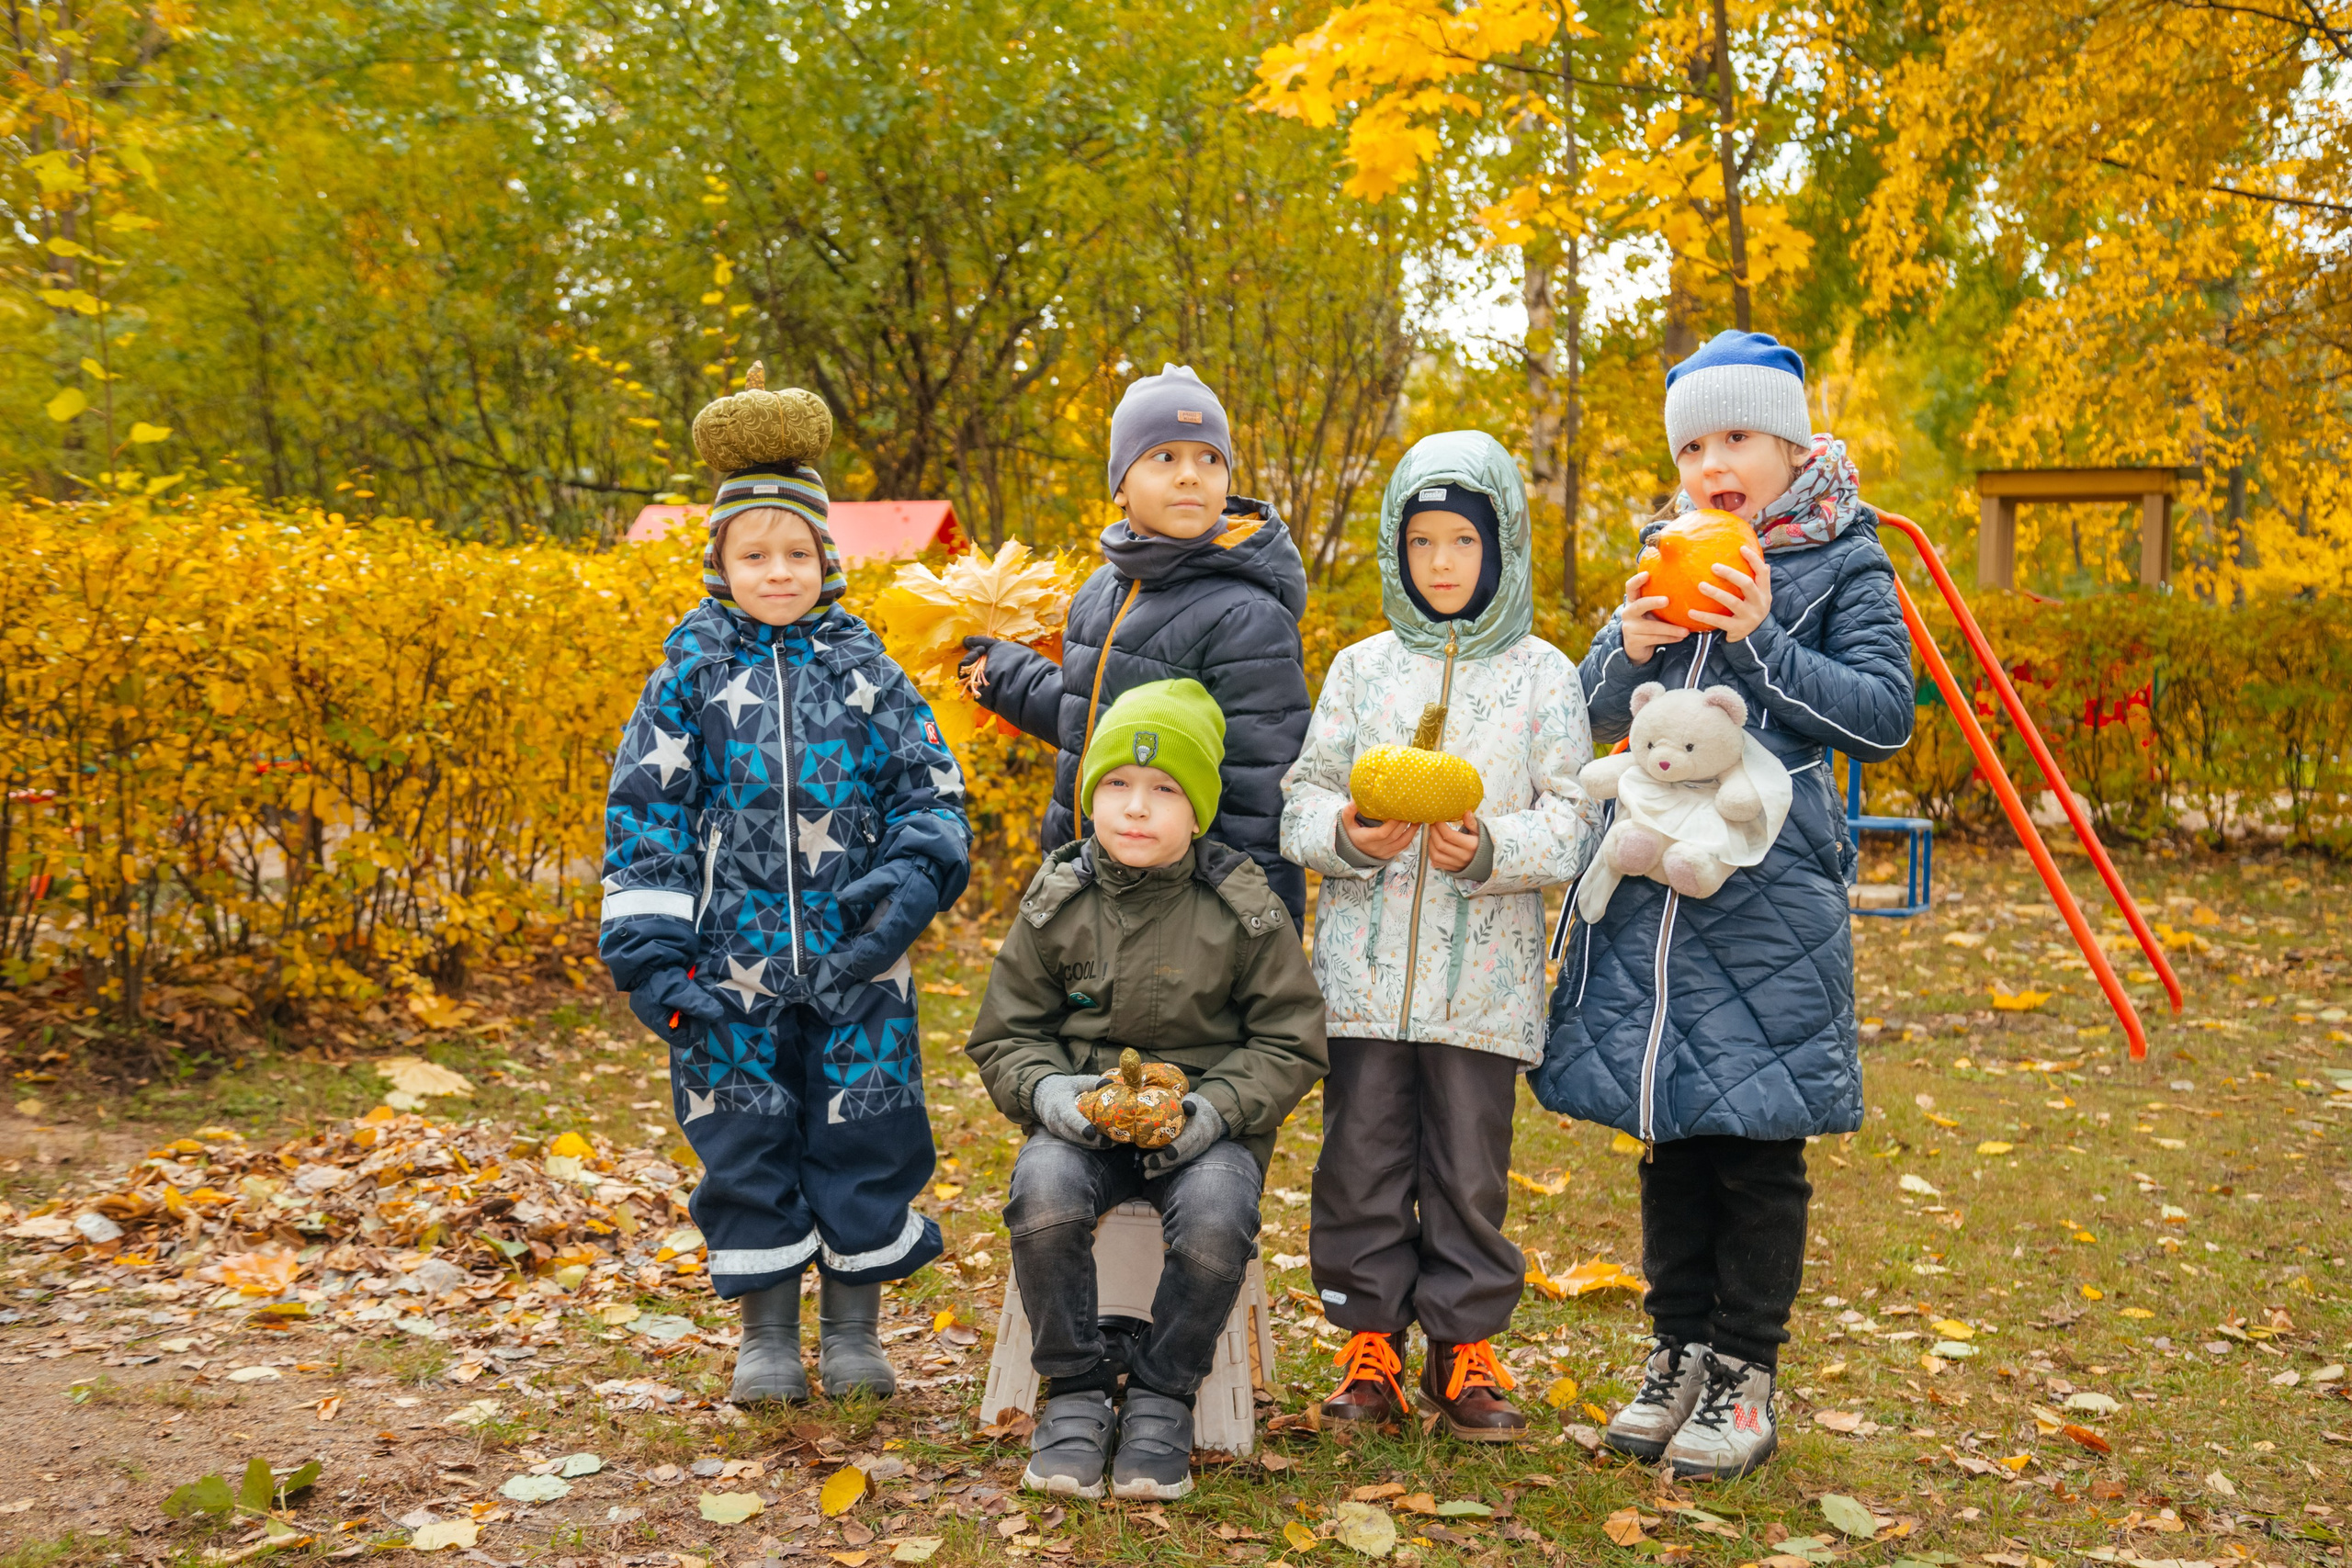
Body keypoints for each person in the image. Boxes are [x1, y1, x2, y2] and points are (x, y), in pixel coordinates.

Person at [1532, 329, 1915, 1480]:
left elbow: (1885, 716)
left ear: (1792, 447)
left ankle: (1745, 1374)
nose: (1713, 462)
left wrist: (1760, 642)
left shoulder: (1845, 559)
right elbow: (1596, 720)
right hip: (1655, 903)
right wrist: (1621, 645)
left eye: (1737, 436)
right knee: (1672, 1138)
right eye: (1694, 443)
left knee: (1754, 1146)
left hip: (1765, 898)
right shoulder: (1666, 558)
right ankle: (1675, 1354)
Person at [598, 372, 971, 1406]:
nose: (776, 572)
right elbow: (646, 817)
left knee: (864, 1128)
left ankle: (853, 1328)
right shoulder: (685, 679)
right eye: (753, 555)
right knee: (745, 1132)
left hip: (860, 961)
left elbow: (930, 792)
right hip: (732, 960)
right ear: (719, 563)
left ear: (826, 561)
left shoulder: (869, 673)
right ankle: (766, 1335)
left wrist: (906, 885)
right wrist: (652, 955)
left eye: (795, 554)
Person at [1278, 431, 1598, 1443]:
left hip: (1483, 984)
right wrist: (1346, 838)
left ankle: (1462, 1345)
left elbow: (1574, 817)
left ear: (1499, 548)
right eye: (1423, 542)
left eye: (1463, 539)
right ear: (1396, 551)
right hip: (1363, 981)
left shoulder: (1544, 675)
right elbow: (1301, 798)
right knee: (1361, 1160)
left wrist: (1491, 847)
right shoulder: (1361, 669)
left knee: (1468, 1167)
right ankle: (1368, 1341)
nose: (1444, 562)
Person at [967, 680, 1327, 1501]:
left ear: (1197, 812)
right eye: (1117, 786)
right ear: (1091, 796)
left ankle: (1165, 1391)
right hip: (1082, 1123)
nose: (1137, 807)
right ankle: (1077, 1388)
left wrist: (1213, 1112)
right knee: (1045, 1198)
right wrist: (1051, 1093)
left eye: (1165, 789)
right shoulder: (1058, 901)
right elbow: (1004, 1033)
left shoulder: (1242, 910)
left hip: (1207, 1125)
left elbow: (1290, 1038)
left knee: (1215, 1221)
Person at [960, 364, 1314, 928]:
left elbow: (1262, 794)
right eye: (1164, 456)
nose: (1190, 476)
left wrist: (1264, 943)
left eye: (1209, 458)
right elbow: (1092, 721)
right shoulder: (1101, 591)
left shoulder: (1246, 616)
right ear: (1121, 485)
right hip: (1081, 882)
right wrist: (1008, 674)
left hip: (1178, 911)